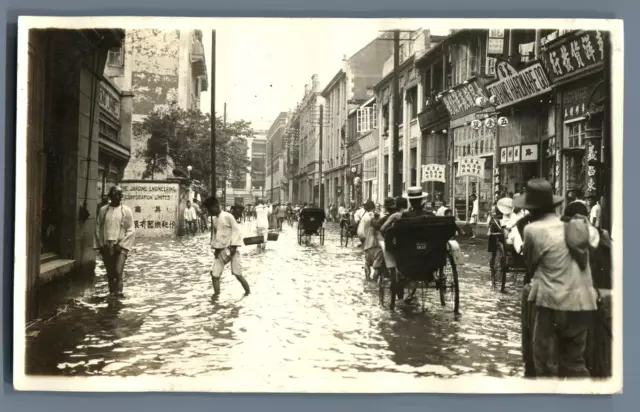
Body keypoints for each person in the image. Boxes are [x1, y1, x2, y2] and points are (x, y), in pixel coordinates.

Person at [518, 178, 597, 378]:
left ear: (530, 209)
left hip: (553, 303)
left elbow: (530, 264)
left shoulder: (532, 230)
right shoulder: (572, 226)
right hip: (585, 302)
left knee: (544, 363)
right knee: (575, 363)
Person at [203, 196, 250, 297]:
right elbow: (215, 234)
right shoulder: (214, 219)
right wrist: (215, 248)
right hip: (220, 250)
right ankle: (216, 296)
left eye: (211, 209)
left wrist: (234, 246)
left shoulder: (228, 216)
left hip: (232, 249)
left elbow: (236, 230)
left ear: (216, 206)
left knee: (237, 274)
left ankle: (248, 292)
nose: (210, 212)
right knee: (214, 275)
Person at [94, 186, 135, 298]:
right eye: (116, 194)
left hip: (121, 245)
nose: (118, 197)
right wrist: (101, 245)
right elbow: (98, 227)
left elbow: (131, 230)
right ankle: (112, 295)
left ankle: (119, 295)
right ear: (111, 196)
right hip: (107, 245)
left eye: (120, 194)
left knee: (118, 271)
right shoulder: (103, 210)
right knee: (110, 274)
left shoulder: (126, 211)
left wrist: (121, 245)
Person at [359, 200, 383, 280]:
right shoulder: (381, 215)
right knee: (377, 266)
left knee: (367, 263)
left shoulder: (365, 218)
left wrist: (363, 241)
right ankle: (375, 281)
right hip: (379, 245)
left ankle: (368, 279)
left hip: (367, 245)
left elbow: (360, 233)